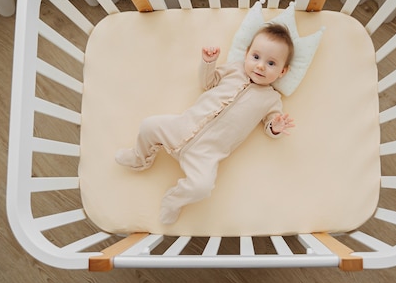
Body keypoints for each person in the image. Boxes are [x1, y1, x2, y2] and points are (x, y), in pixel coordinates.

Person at [115, 23, 295, 224]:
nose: (260, 66)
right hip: (181, 126)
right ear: (246, 54)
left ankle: (174, 200)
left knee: (202, 187)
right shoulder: (234, 70)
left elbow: (271, 123)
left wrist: (276, 127)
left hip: (208, 152)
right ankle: (140, 157)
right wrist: (208, 63)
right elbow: (208, 82)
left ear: (283, 71)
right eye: (256, 57)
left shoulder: (271, 99)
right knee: (148, 125)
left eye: (271, 63)